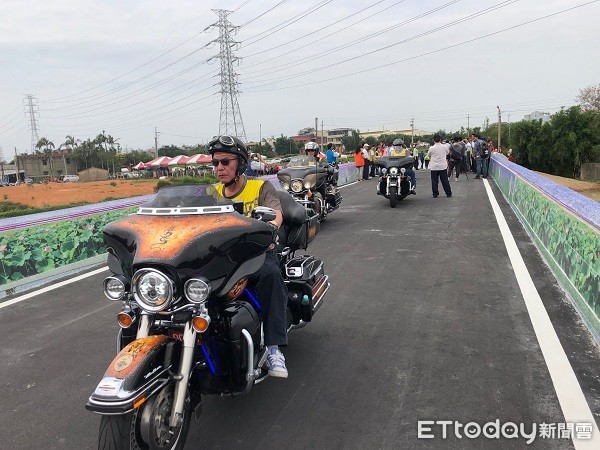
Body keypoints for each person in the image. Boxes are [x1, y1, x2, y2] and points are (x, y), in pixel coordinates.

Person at [209, 135, 288, 378]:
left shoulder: (261, 187)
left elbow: (276, 214)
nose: (219, 168)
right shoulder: (211, 193)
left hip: (256, 253)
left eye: (225, 162)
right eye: (215, 163)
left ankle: (275, 348)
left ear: (241, 163)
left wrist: (271, 225)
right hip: (223, 257)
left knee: (271, 276)